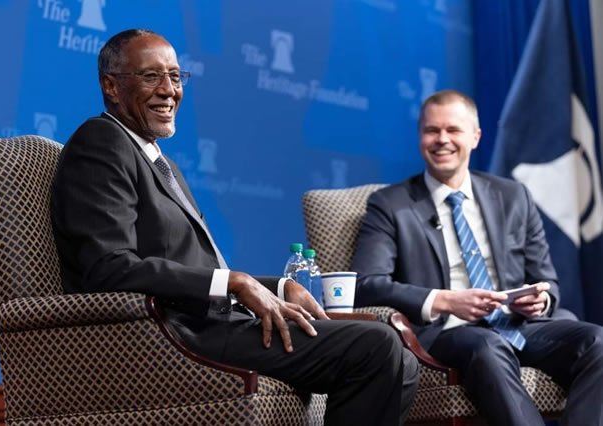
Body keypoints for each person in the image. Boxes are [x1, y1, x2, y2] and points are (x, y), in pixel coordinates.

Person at [51, 28, 418, 426]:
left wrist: (280, 287)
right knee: (376, 345)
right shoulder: (102, 142)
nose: (169, 90)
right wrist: (234, 282)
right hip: (174, 333)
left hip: (215, 321)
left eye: (175, 76)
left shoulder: (158, 160)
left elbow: (188, 264)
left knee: (403, 360)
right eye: (151, 76)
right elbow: (109, 267)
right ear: (111, 86)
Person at [351, 89, 603, 426]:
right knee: (487, 346)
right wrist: (446, 300)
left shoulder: (513, 196)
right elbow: (366, 285)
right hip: (448, 332)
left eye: (453, 130)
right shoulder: (390, 205)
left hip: (518, 325)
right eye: (432, 130)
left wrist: (539, 301)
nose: (442, 139)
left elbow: (547, 280)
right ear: (420, 137)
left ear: (475, 136)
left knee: (598, 342)